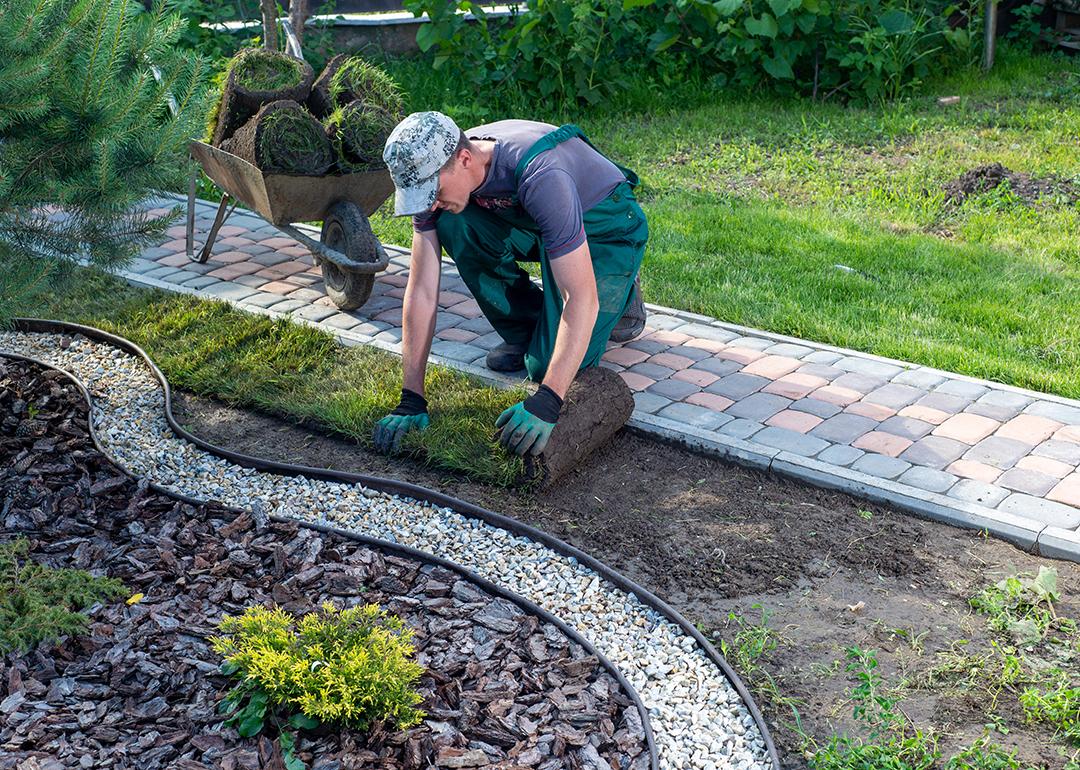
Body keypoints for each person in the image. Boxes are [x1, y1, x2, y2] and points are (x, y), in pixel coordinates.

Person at [372, 111, 648, 457]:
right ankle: (532, 330)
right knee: (455, 224)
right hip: (544, 223)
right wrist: (411, 399)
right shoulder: (443, 171)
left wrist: (548, 402)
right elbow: (422, 289)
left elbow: (579, 298)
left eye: (434, 191)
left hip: (605, 225)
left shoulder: (541, 172)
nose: (429, 202)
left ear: (465, 158)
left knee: (548, 367)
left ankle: (622, 293)